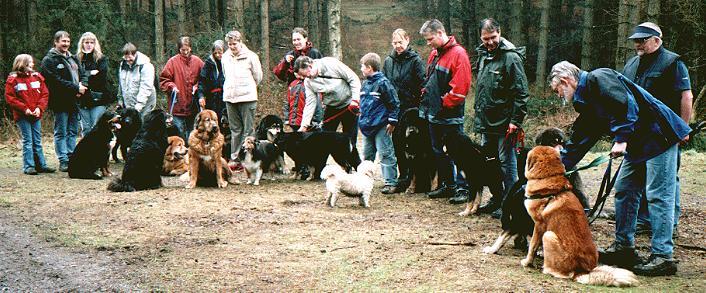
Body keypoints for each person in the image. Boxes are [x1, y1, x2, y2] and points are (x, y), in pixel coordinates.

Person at [549, 61, 690, 276]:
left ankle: (663, 256)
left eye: (557, 89)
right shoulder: (587, 100)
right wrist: (558, 166)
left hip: (658, 135)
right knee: (624, 190)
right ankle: (624, 248)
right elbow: (582, 137)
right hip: (638, 143)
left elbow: (625, 104)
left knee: (658, 196)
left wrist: (621, 139)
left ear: (566, 81)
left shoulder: (599, 77)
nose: (559, 95)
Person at [622, 22, 693, 234]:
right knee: (642, 180)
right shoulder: (631, 65)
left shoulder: (673, 62)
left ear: (657, 40)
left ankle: (669, 226)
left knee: (666, 182)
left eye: (643, 40)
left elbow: (686, 96)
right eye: (636, 40)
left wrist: (683, 128)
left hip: (665, 133)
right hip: (640, 134)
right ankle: (645, 220)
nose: (638, 44)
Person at [471, 18, 529, 210]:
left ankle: (512, 204)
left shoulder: (511, 58)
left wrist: (516, 121)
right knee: (488, 163)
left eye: (493, 37)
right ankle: (497, 198)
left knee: (507, 165)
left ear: (500, 32)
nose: (490, 42)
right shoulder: (482, 56)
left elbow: (521, 92)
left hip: (505, 124)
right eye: (485, 38)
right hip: (485, 123)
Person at [416, 19, 472, 203]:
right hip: (434, 114)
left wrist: (442, 103)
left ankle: (463, 188)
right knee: (438, 151)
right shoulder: (434, 54)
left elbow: (460, 89)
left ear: (440, 33)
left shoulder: (459, 54)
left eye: (430, 38)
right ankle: (447, 185)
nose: (428, 42)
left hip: (450, 116)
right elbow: (430, 79)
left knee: (459, 153)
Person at [382, 28, 426, 190]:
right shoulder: (388, 61)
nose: (398, 46)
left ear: (407, 40)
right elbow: (384, 83)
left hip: (411, 109)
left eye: (400, 42)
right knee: (397, 143)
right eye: (395, 43)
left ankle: (417, 178)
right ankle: (403, 176)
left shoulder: (415, 60)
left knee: (414, 145)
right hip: (394, 109)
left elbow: (423, 84)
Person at [40, 31, 88, 172]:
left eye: (67, 41)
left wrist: (82, 87)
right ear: (56, 42)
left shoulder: (73, 58)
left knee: (73, 130)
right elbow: (54, 82)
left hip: (75, 101)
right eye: (63, 41)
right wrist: (76, 88)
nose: (66, 44)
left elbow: (83, 74)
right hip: (60, 101)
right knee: (61, 131)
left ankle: (72, 156)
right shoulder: (49, 60)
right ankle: (63, 160)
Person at [293, 56, 361, 146]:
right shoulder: (308, 81)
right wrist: (304, 126)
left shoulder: (331, 64)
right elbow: (310, 103)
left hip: (349, 105)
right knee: (324, 140)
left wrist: (355, 100)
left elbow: (353, 79)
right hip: (331, 107)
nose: (305, 77)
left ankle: (352, 159)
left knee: (350, 140)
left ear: (310, 66)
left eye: (305, 74)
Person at [5, 54, 56, 175]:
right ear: (23, 64)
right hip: (22, 116)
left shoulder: (37, 77)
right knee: (28, 140)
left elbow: (44, 94)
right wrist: (24, 109)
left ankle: (41, 165)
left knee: (37, 140)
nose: (33, 65)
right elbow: (10, 98)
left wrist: (39, 108)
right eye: (30, 62)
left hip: (36, 114)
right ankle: (29, 166)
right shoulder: (13, 80)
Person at [359, 53, 401, 194]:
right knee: (367, 155)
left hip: (381, 125)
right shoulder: (364, 84)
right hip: (366, 126)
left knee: (385, 153)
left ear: (369, 68)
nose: (361, 69)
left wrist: (392, 121)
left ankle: (390, 182)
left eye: (362, 67)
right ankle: (364, 181)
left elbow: (394, 103)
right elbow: (363, 104)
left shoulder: (383, 83)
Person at [222, 30, 263, 164]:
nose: (232, 47)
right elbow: (225, 74)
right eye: (229, 44)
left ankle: (248, 158)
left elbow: (258, 76)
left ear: (240, 42)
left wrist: (248, 88)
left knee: (248, 130)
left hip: (247, 97)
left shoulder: (251, 56)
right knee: (235, 130)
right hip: (230, 97)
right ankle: (235, 158)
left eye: (234, 44)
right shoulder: (225, 57)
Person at [160, 36, 205, 142]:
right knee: (178, 132)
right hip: (177, 105)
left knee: (193, 133)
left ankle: (190, 155)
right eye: (182, 50)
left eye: (187, 49)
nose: (185, 52)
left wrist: (197, 86)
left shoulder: (198, 61)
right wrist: (172, 86)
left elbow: (204, 79)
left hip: (193, 106)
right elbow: (163, 80)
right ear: (178, 49)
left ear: (191, 48)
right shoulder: (172, 62)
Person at [76, 32, 114, 136]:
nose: (89, 45)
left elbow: (100, 78)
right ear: (82, 43)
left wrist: (84, 79)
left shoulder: (101, 59)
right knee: (86, 129)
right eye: (86, 42)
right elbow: (75, 77)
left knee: (97, 128)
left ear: (95, 44)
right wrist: (90, 73)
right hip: (82, 99)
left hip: (98, 99)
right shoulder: (77, 59)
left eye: (91, 42)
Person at [117, 42, 157, 118]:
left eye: (130, 57)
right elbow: (121, 84)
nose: (128, 60)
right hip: (129, 104)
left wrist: (138, 106)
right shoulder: (123, 65)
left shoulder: (146, 66)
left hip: (145, 105)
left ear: (135, 54)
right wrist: (120, 101)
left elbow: (146, 88)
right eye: (126, 57)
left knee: (143, 125)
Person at [197, 40, 226, 121]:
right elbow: (202, 81)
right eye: (215, 53)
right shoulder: (208, 64)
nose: (217, 55)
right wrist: (201, 96)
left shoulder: (229, 62)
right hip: (212, 99)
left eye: (220, 53)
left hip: (226, 98)